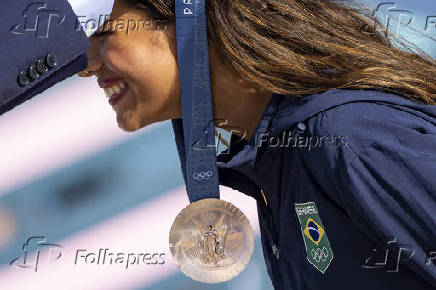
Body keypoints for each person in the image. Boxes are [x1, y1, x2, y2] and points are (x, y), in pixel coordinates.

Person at [4, 0, 435, 289]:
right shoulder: (281, 166)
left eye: (104, 34)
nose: (88, 65)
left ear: (189, 24)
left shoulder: (353, 140)